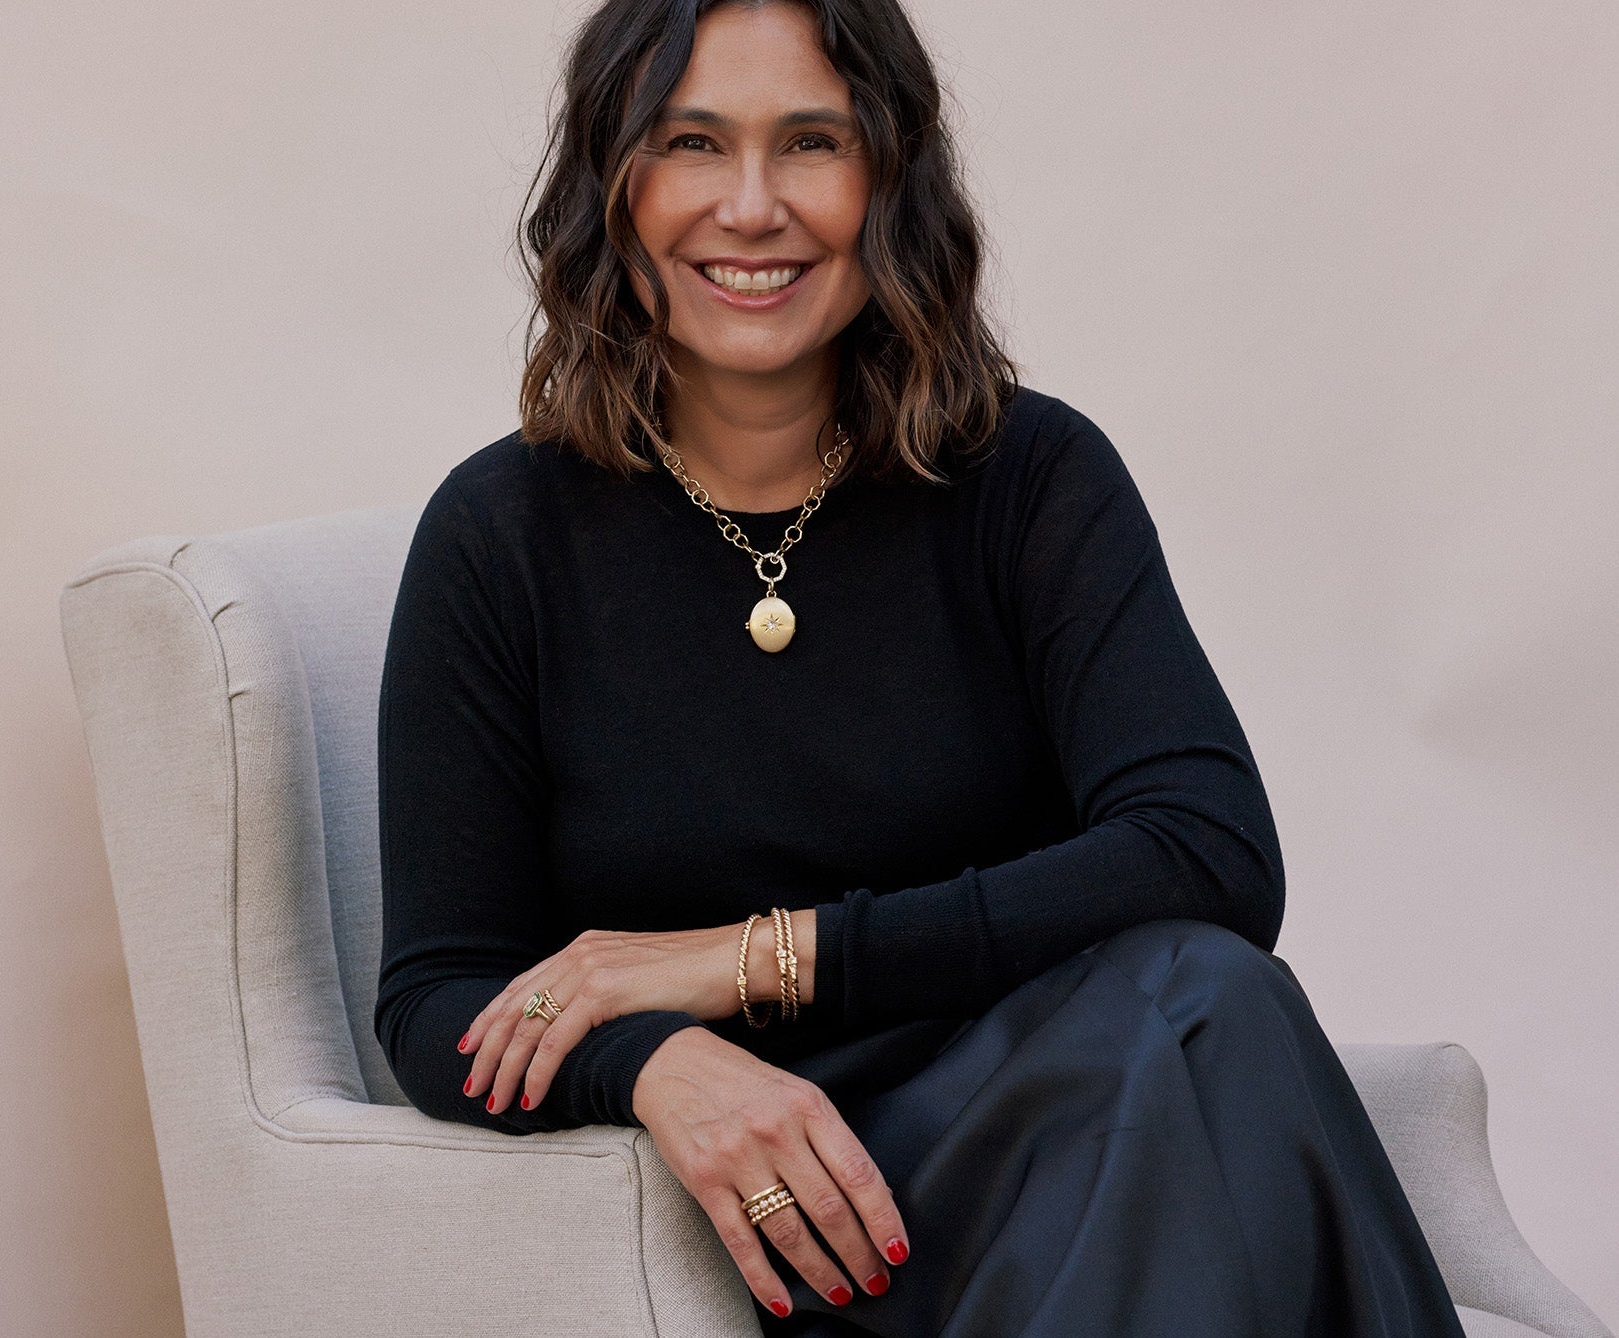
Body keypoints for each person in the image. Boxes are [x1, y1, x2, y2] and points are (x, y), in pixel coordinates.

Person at [374, 0, 1467, 1333]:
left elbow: (1207, 852)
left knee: (1208, 998)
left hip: (1066, 1124)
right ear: (613, 187)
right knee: (1212, 1032)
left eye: (811, 143)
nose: (753, 204)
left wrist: (745, 960)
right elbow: (440, 998)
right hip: (804, 1207)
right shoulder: (503, 536)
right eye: (692, 144)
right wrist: (658, 1059)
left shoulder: (1027, 478)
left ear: (888, 180)